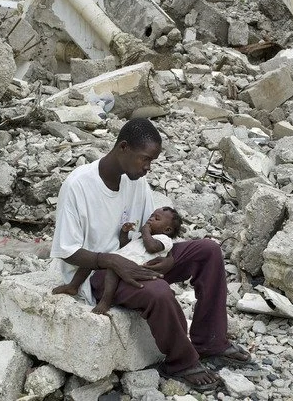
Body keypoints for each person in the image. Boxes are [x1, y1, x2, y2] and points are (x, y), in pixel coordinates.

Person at [50, 118, 251, 392]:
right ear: (123, 148)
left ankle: (211, 341)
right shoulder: (78, 185)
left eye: (151, 162)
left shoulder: (135, 181)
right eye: (145, 160)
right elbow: (67, 251)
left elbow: (152, 231)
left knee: (208, 250)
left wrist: (168, 257)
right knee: (158, 293)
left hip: (137, 256)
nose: (148, 168)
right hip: (97, 273)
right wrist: (111, 260)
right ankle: (180, 362)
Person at [52, 206, 182, 315]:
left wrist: (145, 231)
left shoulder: (164, 240)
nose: (151, 219)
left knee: (113, 269)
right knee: (93, 261)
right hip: (122, 259)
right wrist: (124, 233)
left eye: (156, 218)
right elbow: (125, 246)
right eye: (151, 216)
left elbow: (152, 247)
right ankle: (73, 286)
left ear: (167, 230)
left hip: (135, 267)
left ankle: (106, 301)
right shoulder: (141, 238)